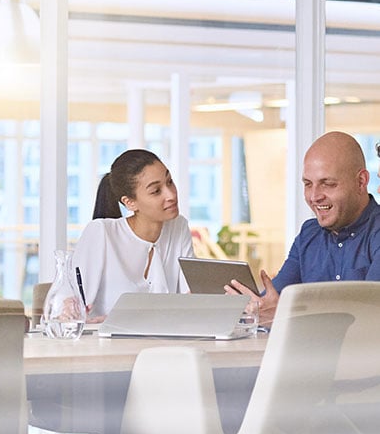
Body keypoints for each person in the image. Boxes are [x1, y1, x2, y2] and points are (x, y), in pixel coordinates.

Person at [226, 131, 380, 325]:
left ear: (361, 182)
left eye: (328, 184)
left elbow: (370, 317)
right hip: (305, 354)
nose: (315, 196)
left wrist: (285, 315)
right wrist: (256, 306)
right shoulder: (309, 234)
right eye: (308, 184)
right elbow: (274, 300)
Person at [73, 148, 194, 322]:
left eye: (169, 182)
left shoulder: (178, 227)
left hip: (164, 342)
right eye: (156, 191)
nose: (171, 195)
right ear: (130, 203)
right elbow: (70, 302)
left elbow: (191, 297)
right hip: (107, 344)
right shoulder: (101, 233)